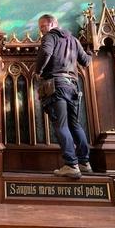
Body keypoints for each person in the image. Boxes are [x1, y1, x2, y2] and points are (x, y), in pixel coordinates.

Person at [35, 14, 92, 179]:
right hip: (73, 86)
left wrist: (38, 71)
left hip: (57, 85)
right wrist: (89, 52)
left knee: (61, 125)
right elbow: (86, 61)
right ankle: (84, 162)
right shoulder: (73, 40)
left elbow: (46, 52)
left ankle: (71, 165)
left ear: (52, 23)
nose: (41, 31)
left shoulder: (50, 36)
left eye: (43, 27)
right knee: (75, 124)